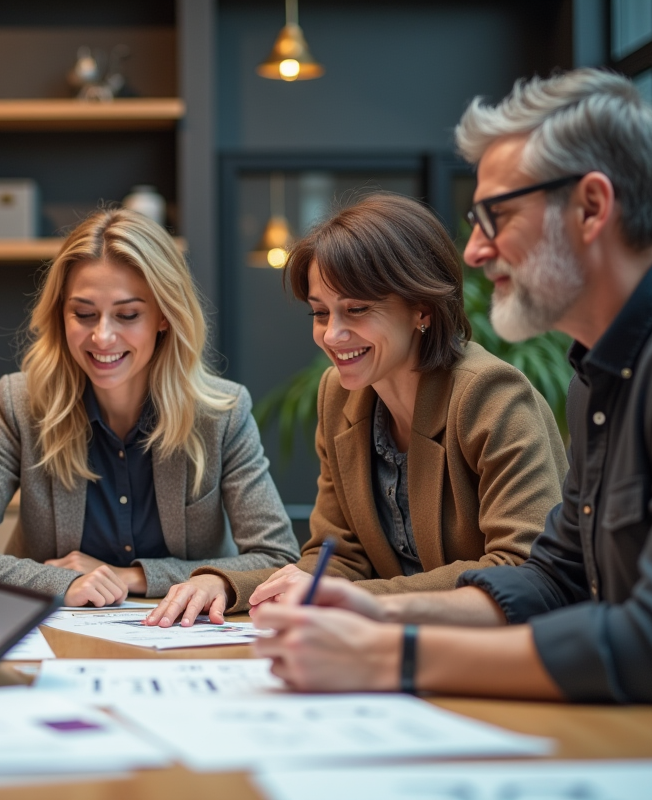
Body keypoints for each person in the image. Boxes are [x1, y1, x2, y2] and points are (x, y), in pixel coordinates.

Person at [248, 69, 652, 703]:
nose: (473, 252)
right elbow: (553, 579)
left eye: (496, 215)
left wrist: (391, 654)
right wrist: (371, 612)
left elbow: (646, 640)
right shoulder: (597, 379)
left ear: (592, 207)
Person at [146, 194, 567, 627]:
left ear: (421, 307)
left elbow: (522, 572)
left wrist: (359, 599)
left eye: (357, 310)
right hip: (386, 646)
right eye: (319, 313)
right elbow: (340, 558)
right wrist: (230, 586)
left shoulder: (490, 395)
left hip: (498, 653)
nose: (333, 334)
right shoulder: (339, 395)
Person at [0, 209, 300, 606]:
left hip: (180, 637)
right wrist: (60, 582)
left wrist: (131, 576)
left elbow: (278, 560)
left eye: (127, 315)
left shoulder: (222, 413)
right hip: (49, 633)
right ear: (61, 314)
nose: (102, 336)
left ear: (164, 317)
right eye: (83, 314)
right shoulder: (20, 403)